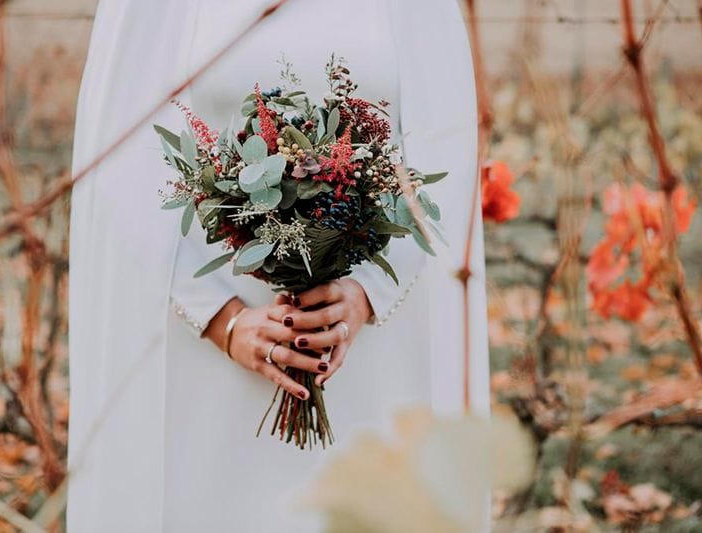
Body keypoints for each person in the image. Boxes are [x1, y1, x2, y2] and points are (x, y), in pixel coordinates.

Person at [68, 0, 490, 530]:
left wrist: (363, 296)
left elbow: (444, 137)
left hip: (371, 344)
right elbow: (119, 158)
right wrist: (223, 320)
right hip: (204, 349)